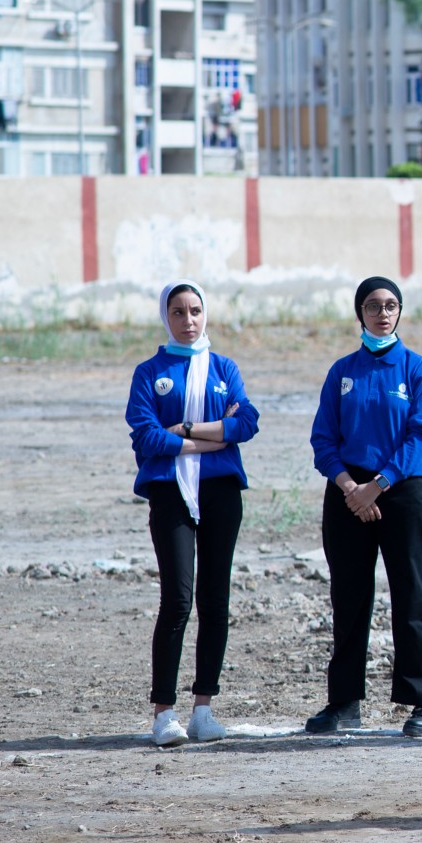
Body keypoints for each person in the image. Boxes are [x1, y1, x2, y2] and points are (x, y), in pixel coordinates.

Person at [306, 276, 422, 738]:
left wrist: (378, 485)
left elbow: (421, 434)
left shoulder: (417, 369)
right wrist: (351, 487)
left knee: (414, 595)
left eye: (390, 305)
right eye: (372, 305)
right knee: (348, 599)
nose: (382, 313)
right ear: (359, 313)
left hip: (401, 491)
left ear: (400, 312)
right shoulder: (342, 371)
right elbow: (323, 439)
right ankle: (344, 702)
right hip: (347, 491)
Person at [126, 281, 259, 747]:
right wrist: (206, 441)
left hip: (221, 490)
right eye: (179, 312)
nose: (188, 320)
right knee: (178, 600)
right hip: (170, 493)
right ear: (166, 316)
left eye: (196, 311)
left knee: (215, 601)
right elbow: (144, 436)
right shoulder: (150, 371)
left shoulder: (224, 367)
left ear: (206, 315)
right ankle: (164, 712)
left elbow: (246, 423)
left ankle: (204, 708)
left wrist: (182, 429)